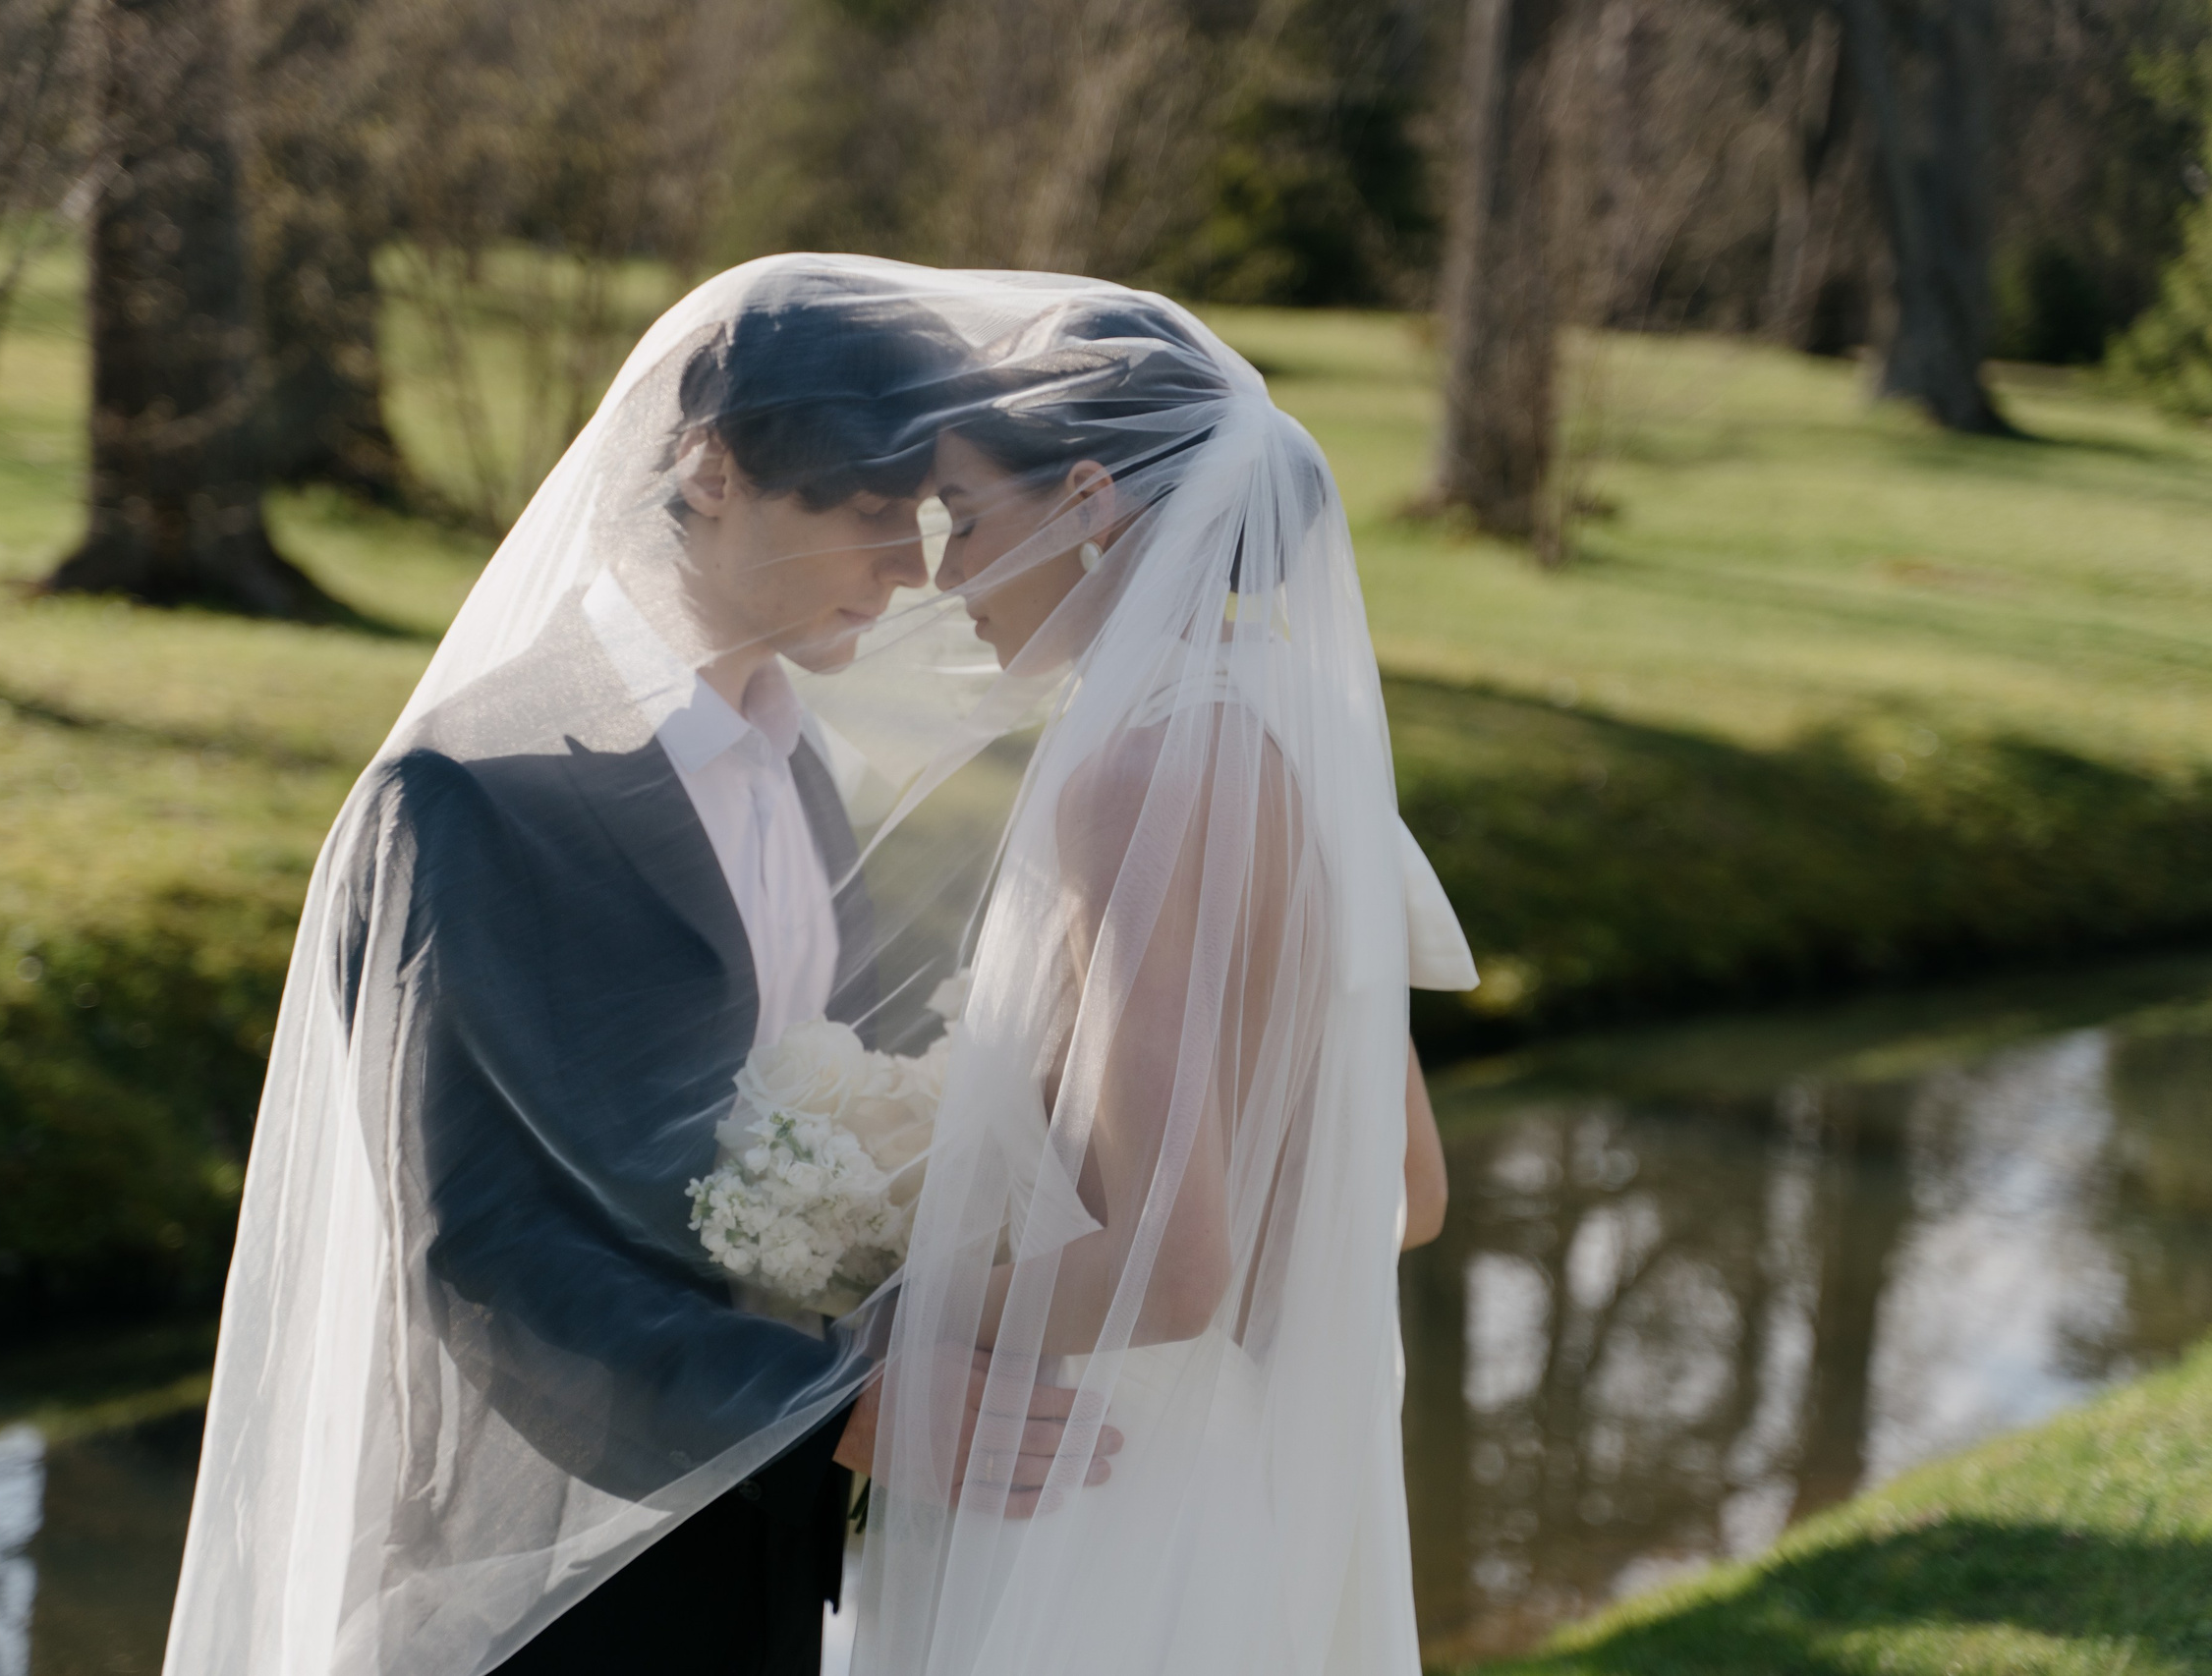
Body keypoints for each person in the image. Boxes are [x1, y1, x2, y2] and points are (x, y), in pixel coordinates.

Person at [159, 266, 1118, 1676]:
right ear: (711, 468)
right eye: (867, 516)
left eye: (922, 519)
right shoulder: (472, 792)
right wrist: (846, 1401)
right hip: (544, 1579)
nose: (912, 570)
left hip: (764, 1550)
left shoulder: (797, 757)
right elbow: (480, 1251)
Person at [845, 293, 1477, 1674]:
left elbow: (1170, 1265)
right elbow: (1409, 1192)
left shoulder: (1134, 779)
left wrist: (885, 1319)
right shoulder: (1302, 748)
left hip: (1088, 1497)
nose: (945, 575)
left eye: (961, 510)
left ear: (1085, 498)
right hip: (1227, 1486)